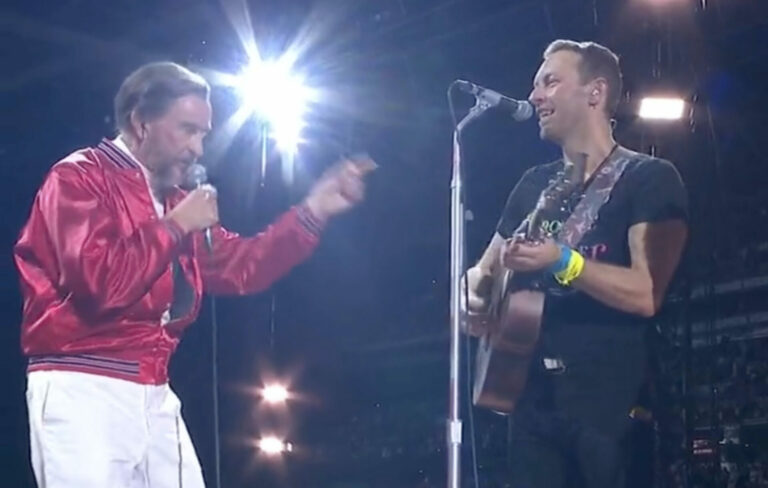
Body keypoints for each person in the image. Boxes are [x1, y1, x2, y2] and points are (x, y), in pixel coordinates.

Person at [14, 62, 372, 488]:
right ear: (141, 123)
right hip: (83, 385)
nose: (198, 149)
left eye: (203, 133)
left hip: (154, 388)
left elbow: (240, 266)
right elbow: (99, 285)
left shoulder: (174, 200)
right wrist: (175, 226)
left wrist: (314, 210)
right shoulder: (77, 178)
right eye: (187, 130)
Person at [464, 40, 688, 488]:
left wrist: (563, 260)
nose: (534, 97)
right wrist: (473, 295)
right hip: (531, 406)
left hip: (610, 410)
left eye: (550, 81)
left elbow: (646, 293)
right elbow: (482, 271)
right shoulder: (532, 186)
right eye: (535, 86)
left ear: (595, 92)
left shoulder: (649, 178)